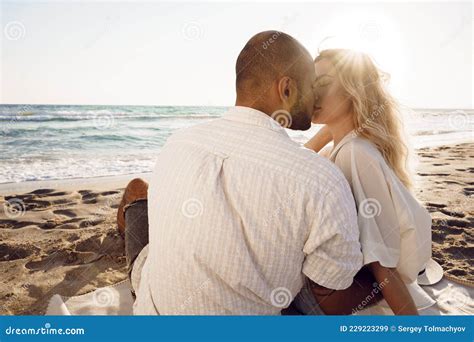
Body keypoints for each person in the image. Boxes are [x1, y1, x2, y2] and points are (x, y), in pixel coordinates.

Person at [117, 32, 382, 315]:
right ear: (287, 89)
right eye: (312, 86)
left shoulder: (178, 141)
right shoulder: (322, 181)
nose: (316, 96)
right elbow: (329, 297)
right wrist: (376, 284)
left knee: (137, 189)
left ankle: (123, 230)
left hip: (151, 308)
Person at [305, 49, 436, 315]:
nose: (312, 95)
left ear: (354, 91)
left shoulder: (354, 153)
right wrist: (331, 129)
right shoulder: (346, 147)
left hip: (351, 290)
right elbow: (298, 161)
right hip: (353, 281)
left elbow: (381, 261)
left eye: (323, 83)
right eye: (310, 85)